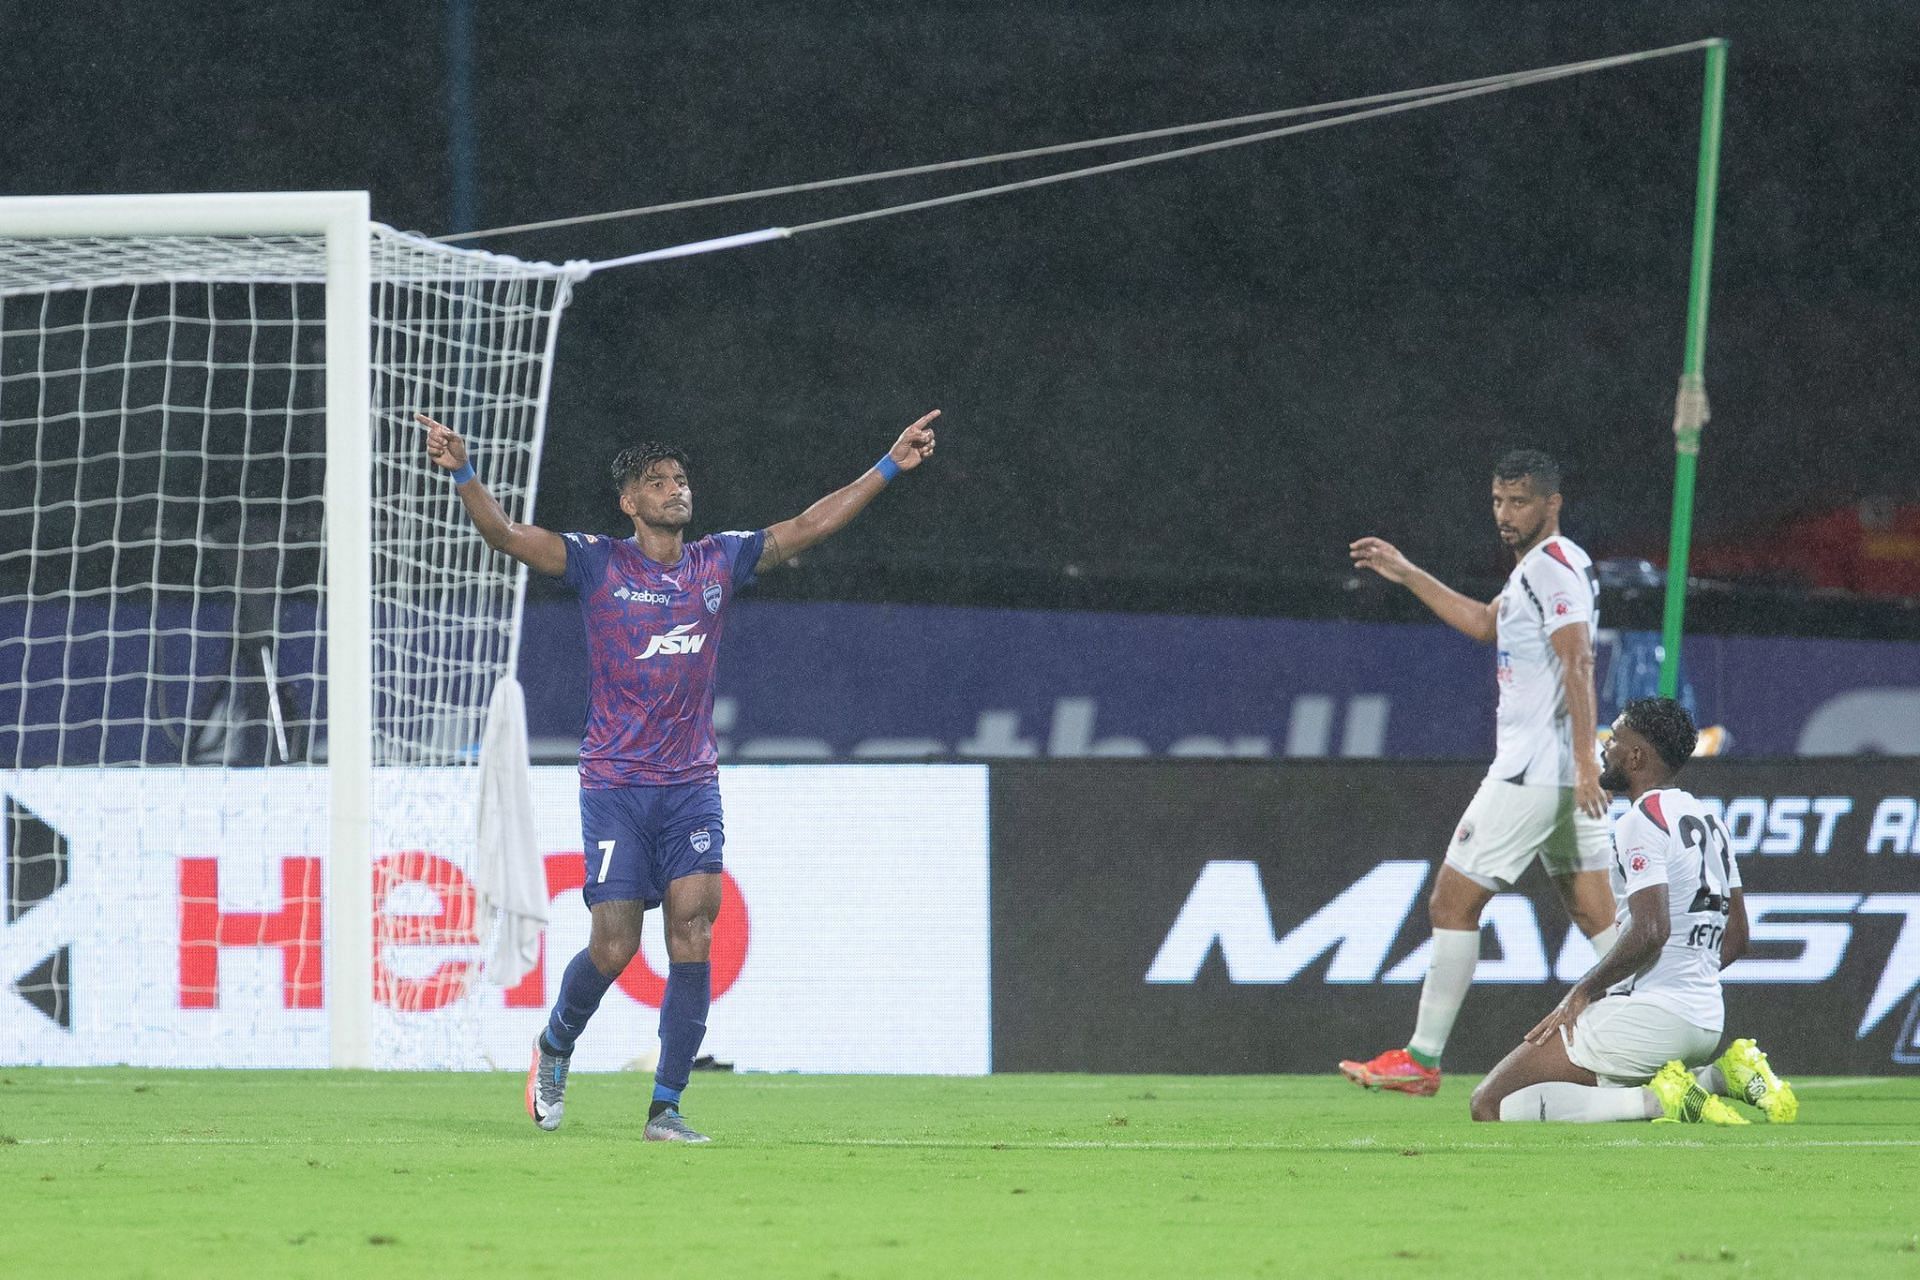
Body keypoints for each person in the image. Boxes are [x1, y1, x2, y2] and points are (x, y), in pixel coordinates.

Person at [419, 407, 940, 1141]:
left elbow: (809, 526)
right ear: (629, 502)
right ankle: (554, 1046)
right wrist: (465, 473)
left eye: (681, 479)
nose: (675, 489)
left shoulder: (719, 561)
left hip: (692, 782)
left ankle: (665, 1106)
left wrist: (887, 465)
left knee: (693, 926)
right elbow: (506, 535)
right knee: (615, 946)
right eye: (657, 482)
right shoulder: (598, 562)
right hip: (615, 785)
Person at [1340, 449, 1615, 1096]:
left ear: (1552, 504)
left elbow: (1577, 662)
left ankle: (1422, 1058)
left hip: (1532, 773)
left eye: (1518, 502)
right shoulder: (1546, 567)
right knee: (1603, 926)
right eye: (1497, 501)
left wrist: (1582, 762)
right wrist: (1408, 572)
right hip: (1559, 776)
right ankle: (1674, 1050)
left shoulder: (1550, 569)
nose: (1504, 514)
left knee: (1452, 901)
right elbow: (1487, 623)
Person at [1468, 697, 1798, 1125]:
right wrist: (1686, 980)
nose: (1606, 746)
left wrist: (1582, 993)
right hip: (1706, 1018)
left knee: (1489, 1105)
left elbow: (1651, 929)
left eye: (1615, 739)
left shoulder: (1640, 821)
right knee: (1588, 1091)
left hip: (1651, 1018)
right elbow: (1738, 937)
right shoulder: (1710, 820)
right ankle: (1719, 1076)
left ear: (1637, 755)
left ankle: (1662, 1102)